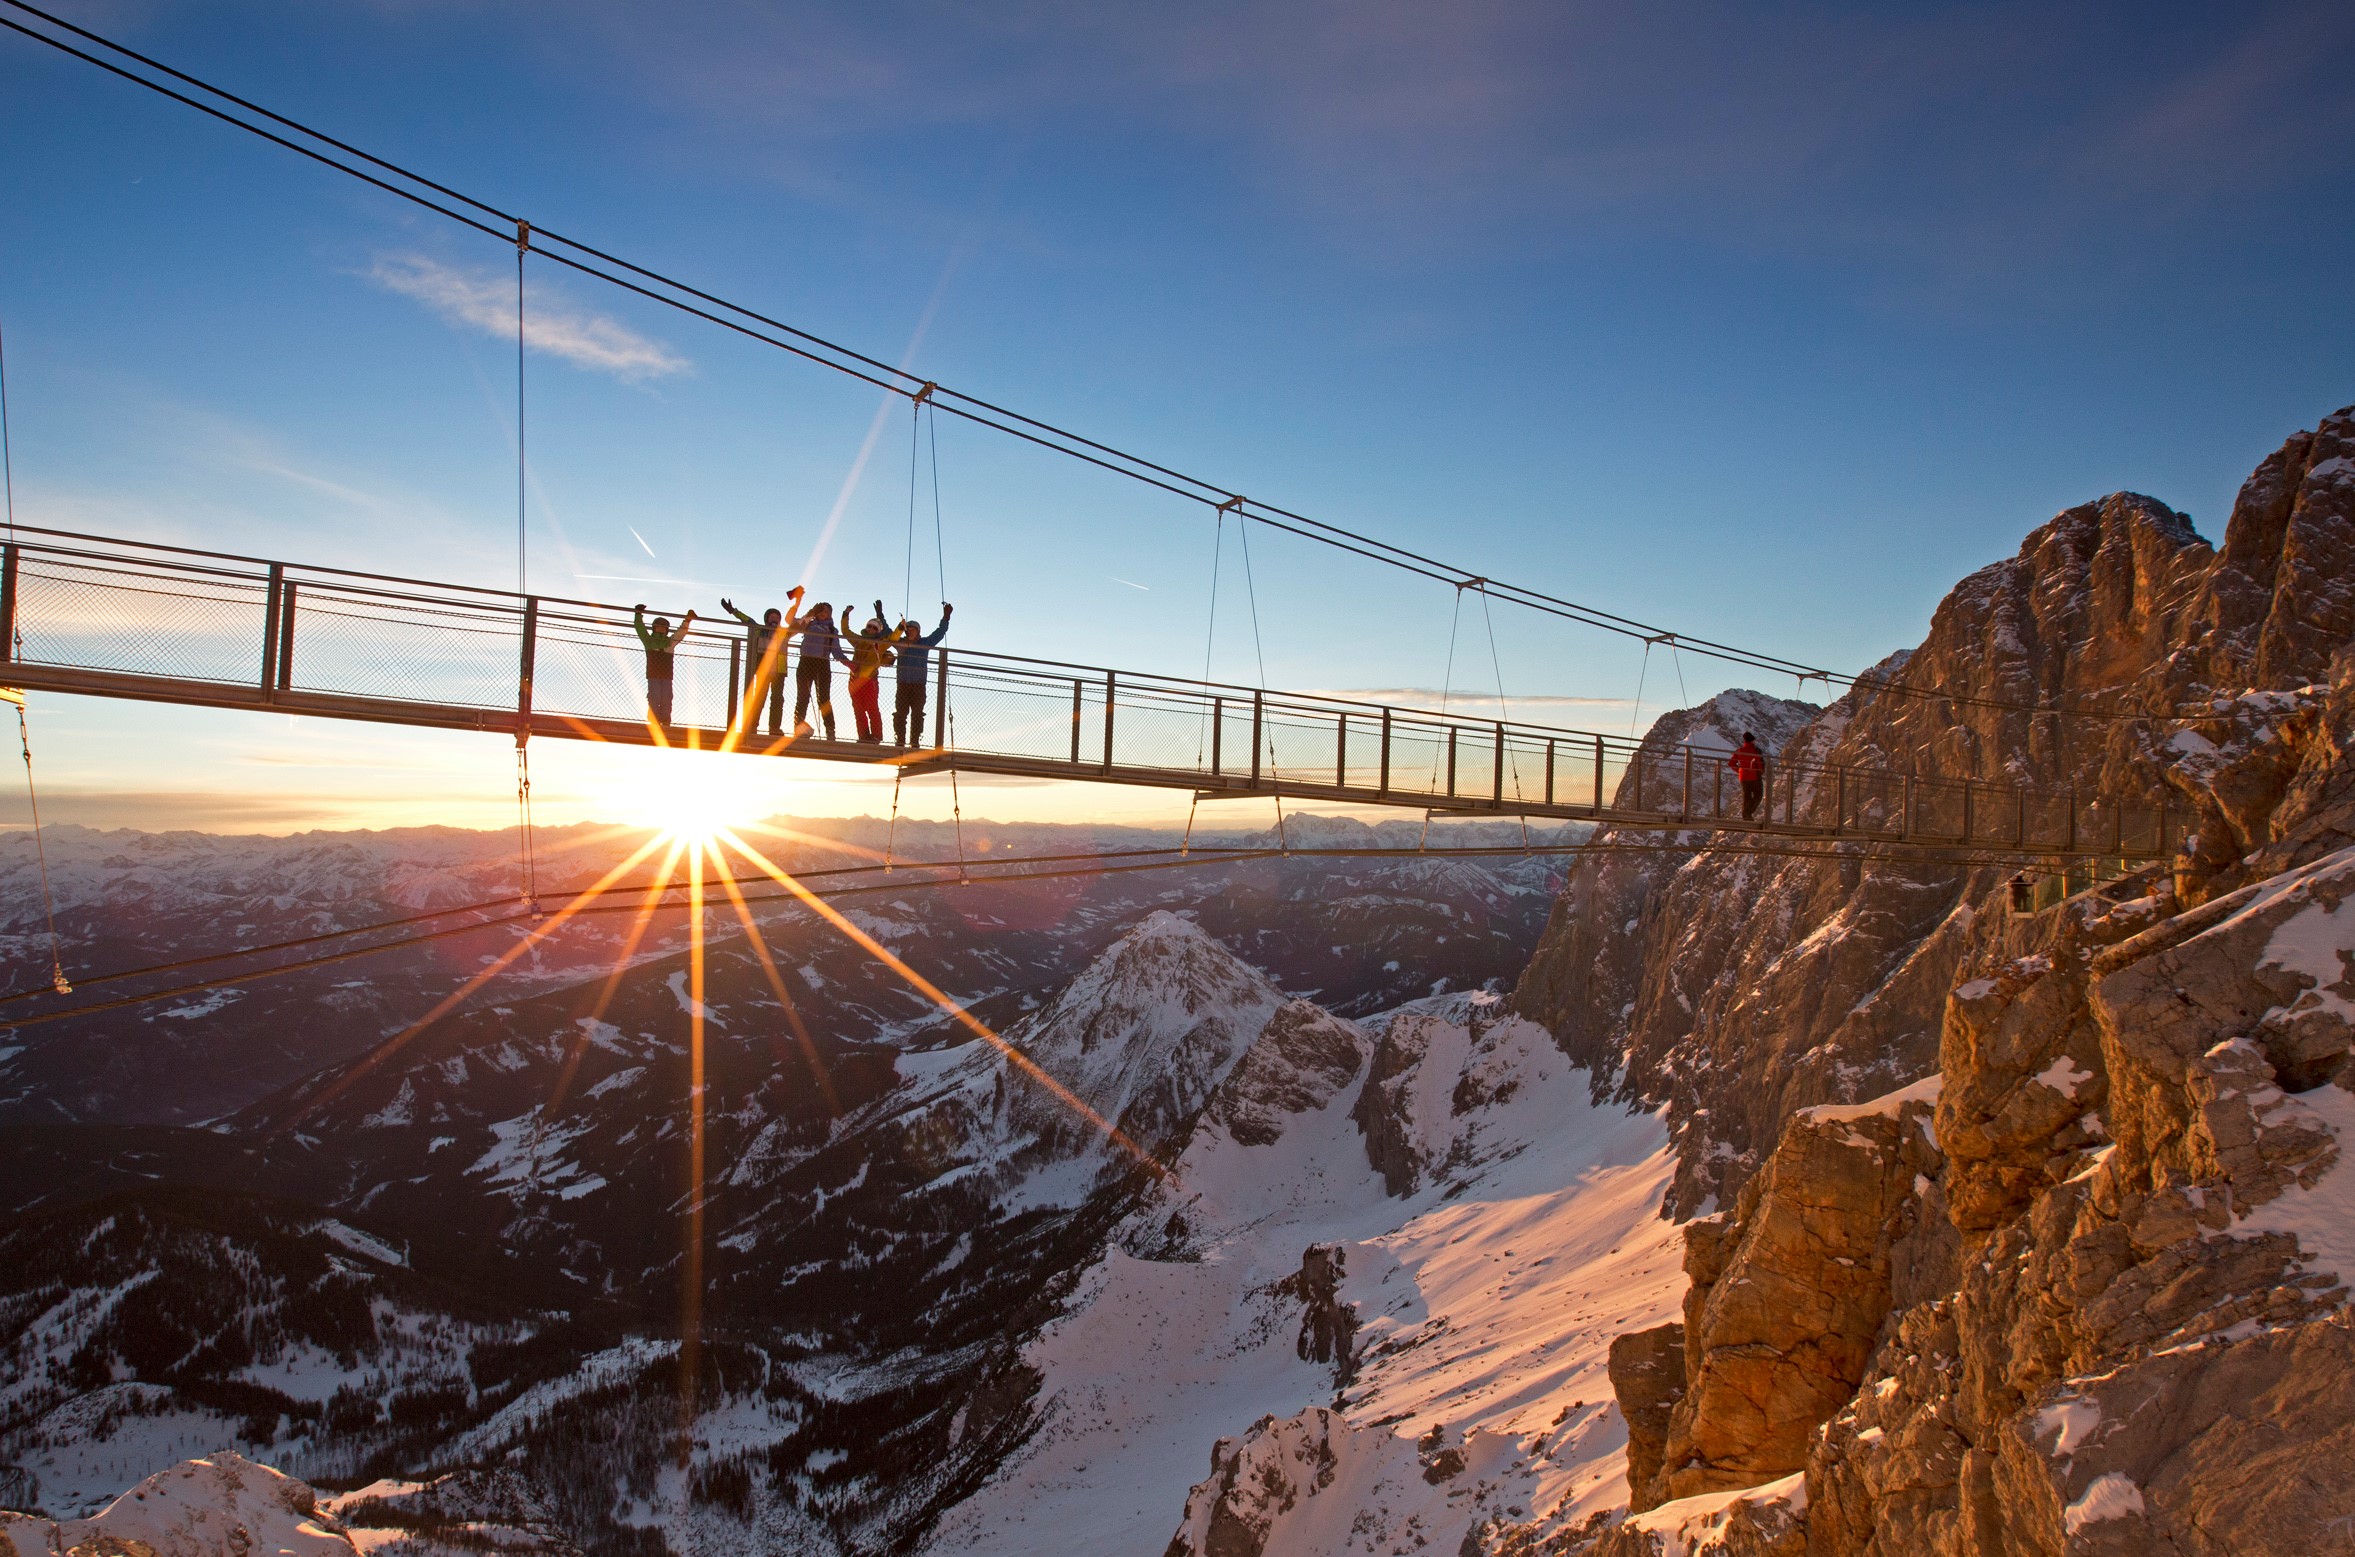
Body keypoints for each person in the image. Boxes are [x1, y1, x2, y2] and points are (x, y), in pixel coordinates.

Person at [721, 587, 802, 739]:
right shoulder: (760, 630)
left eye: (776, 617)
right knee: (760, 698)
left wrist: (799, 603)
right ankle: (753, 726)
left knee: (777, 699)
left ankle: (774, 728)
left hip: (779, 670)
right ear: (767, 619)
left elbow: (798, 624)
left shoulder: (784, 633)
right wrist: (733, 611)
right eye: (771, 617)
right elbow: (747, 621)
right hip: (764, 668)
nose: (774, 619)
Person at [788, 598, 852, 739]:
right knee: (803, 696)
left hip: (822, 663)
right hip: (806, 661)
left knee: (824, 699)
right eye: (822, 610)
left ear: (830, 614)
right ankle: (798, 727)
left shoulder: (831, 630)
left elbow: (836, 651)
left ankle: (830, 730)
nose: (824, 613)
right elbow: (792, 622)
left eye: (827, 611)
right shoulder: (808, 623)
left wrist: (849, 664)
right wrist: (809, 612)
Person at [891, 602, 953, 748]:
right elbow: (888, 635)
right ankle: (900, 739)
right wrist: (881, 616)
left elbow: (939, 633)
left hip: (918, 685)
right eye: (908, 630)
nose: (910, 632)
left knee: (917, 714)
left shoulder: (924, 643)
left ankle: (914, 741)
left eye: (913, 630)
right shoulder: (900, 643)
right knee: (901, 713)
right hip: (903, 684)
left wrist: (946, 617)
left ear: (918, 631)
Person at [631, 604, 696, 728]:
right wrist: (638, 614)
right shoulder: (649, 641)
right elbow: (640, 629)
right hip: (653, 675)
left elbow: (680, 634)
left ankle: (666, 721)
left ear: (666, 630)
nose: (661, 628)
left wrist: (687, 620)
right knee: (654, 697)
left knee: (667, 698)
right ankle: (654, 720)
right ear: (654, 628)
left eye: (663, 627)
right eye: (658, 626)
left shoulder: (669, 643)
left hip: (666, 676)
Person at [844, 600, 896, 743]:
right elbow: (845, 631)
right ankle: (864, 736)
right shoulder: (858, 640)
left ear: (878, 631)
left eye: (874, 628)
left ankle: (876, 736)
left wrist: (900, 627)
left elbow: (893, 637)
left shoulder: (879, 644)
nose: (871, 629)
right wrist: (845, 614)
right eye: (869, 626)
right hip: (854, 679)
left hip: (869, 680)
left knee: (872, 709)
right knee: (858, 710)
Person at [1728, 731, 1766, 821]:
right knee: (1758, 795)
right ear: (1752, 741)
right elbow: (1760, 764)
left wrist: (1739, 770)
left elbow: (1731, 763)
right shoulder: (1755, 751)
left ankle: (1746, 816)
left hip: (1743, 777)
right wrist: (1761, 772)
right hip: (1754, 776)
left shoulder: (1739, 751)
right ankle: (1747, 813)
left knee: (1747, 796)